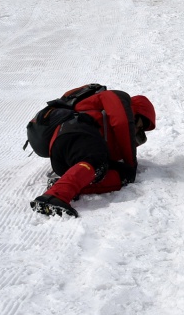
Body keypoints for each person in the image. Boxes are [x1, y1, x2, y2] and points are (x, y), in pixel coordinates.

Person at [29, 86, 156, 217]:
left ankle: (61, 185)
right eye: (138, 126)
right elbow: (122, 122)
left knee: (122, 173)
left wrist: (129, 170)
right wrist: (132, 162)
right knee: (96, 161)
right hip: (73, 132)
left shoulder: (109, 134)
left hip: (66, 162)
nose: (136, 131)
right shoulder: (119, 99)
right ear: (134, 114)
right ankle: (53, 197)